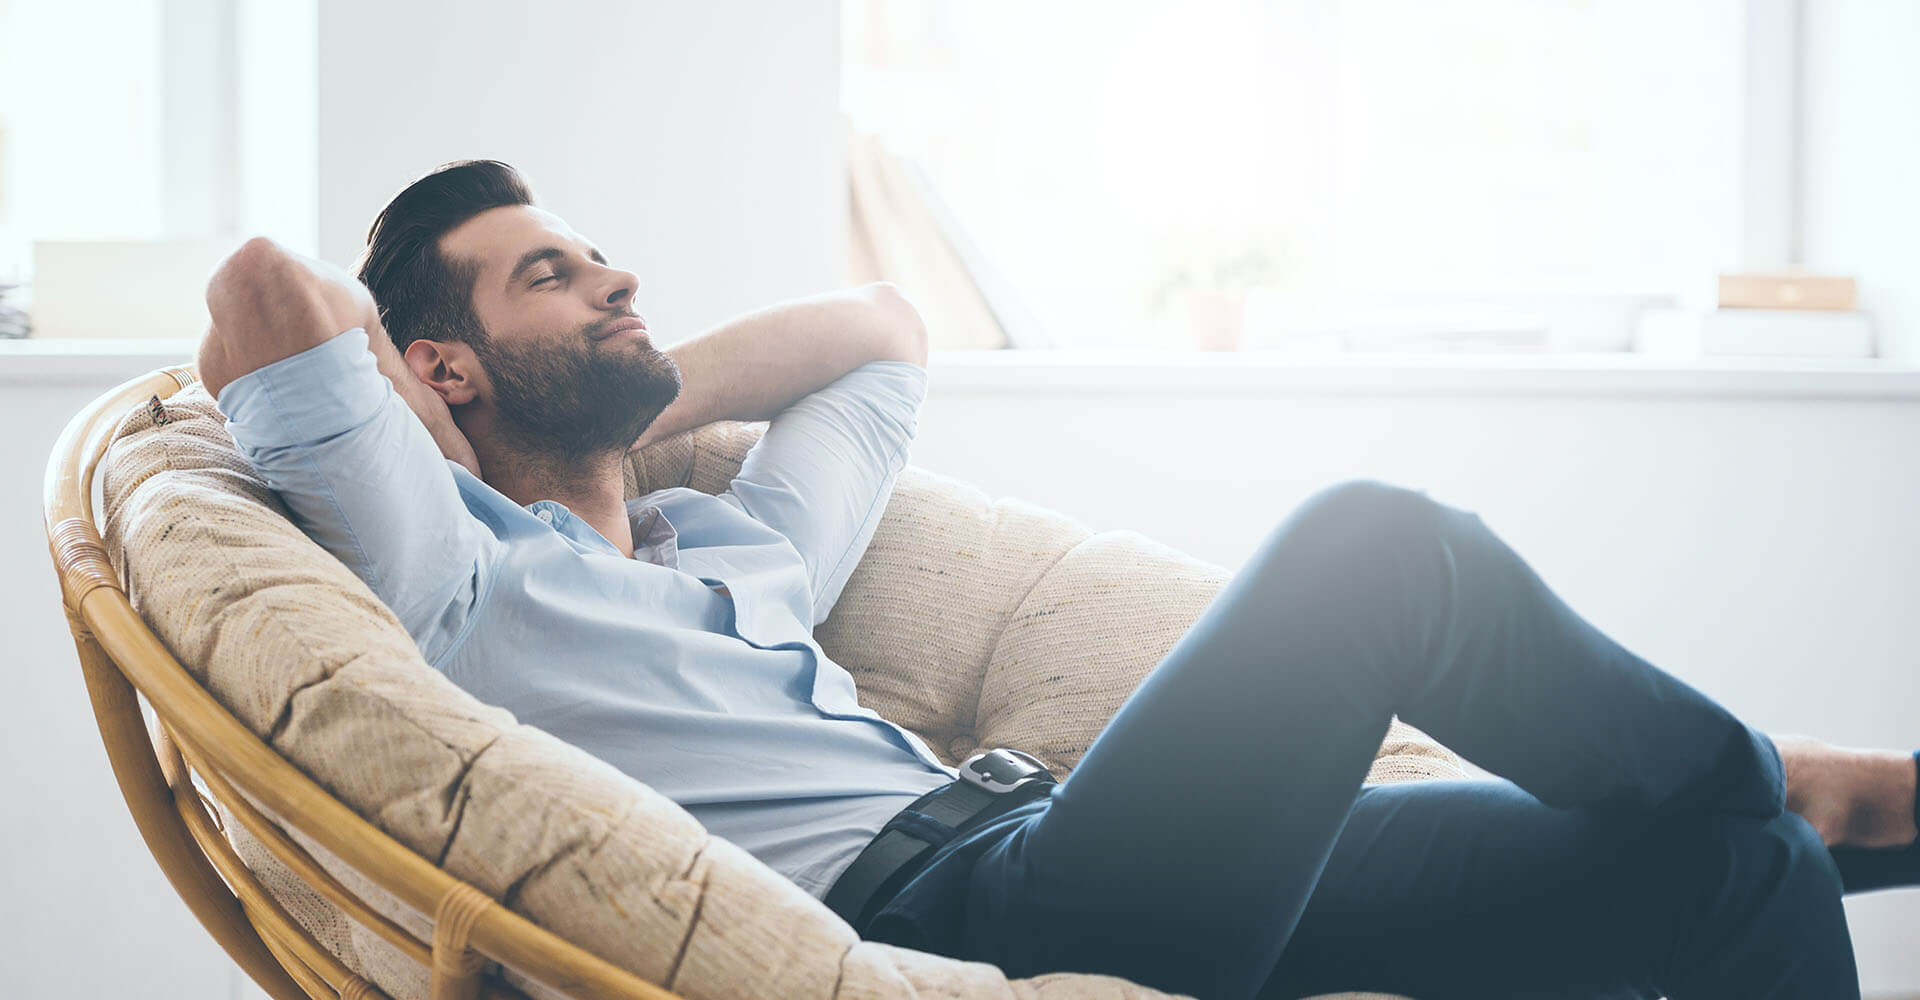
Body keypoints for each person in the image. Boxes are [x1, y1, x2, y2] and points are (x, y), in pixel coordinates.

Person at [194, 159, 1920, 1000]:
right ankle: (1790, 773)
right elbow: (271, 291)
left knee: (1725, 875)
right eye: (553, 279)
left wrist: (635, 410)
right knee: (1375, 544)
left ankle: (1769, 807)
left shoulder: (738, 545)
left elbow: (878, 340)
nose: (618, 279)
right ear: (439, 370)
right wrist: (435, 422)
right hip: (954, 922)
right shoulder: (459, 583)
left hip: (1051, 838)